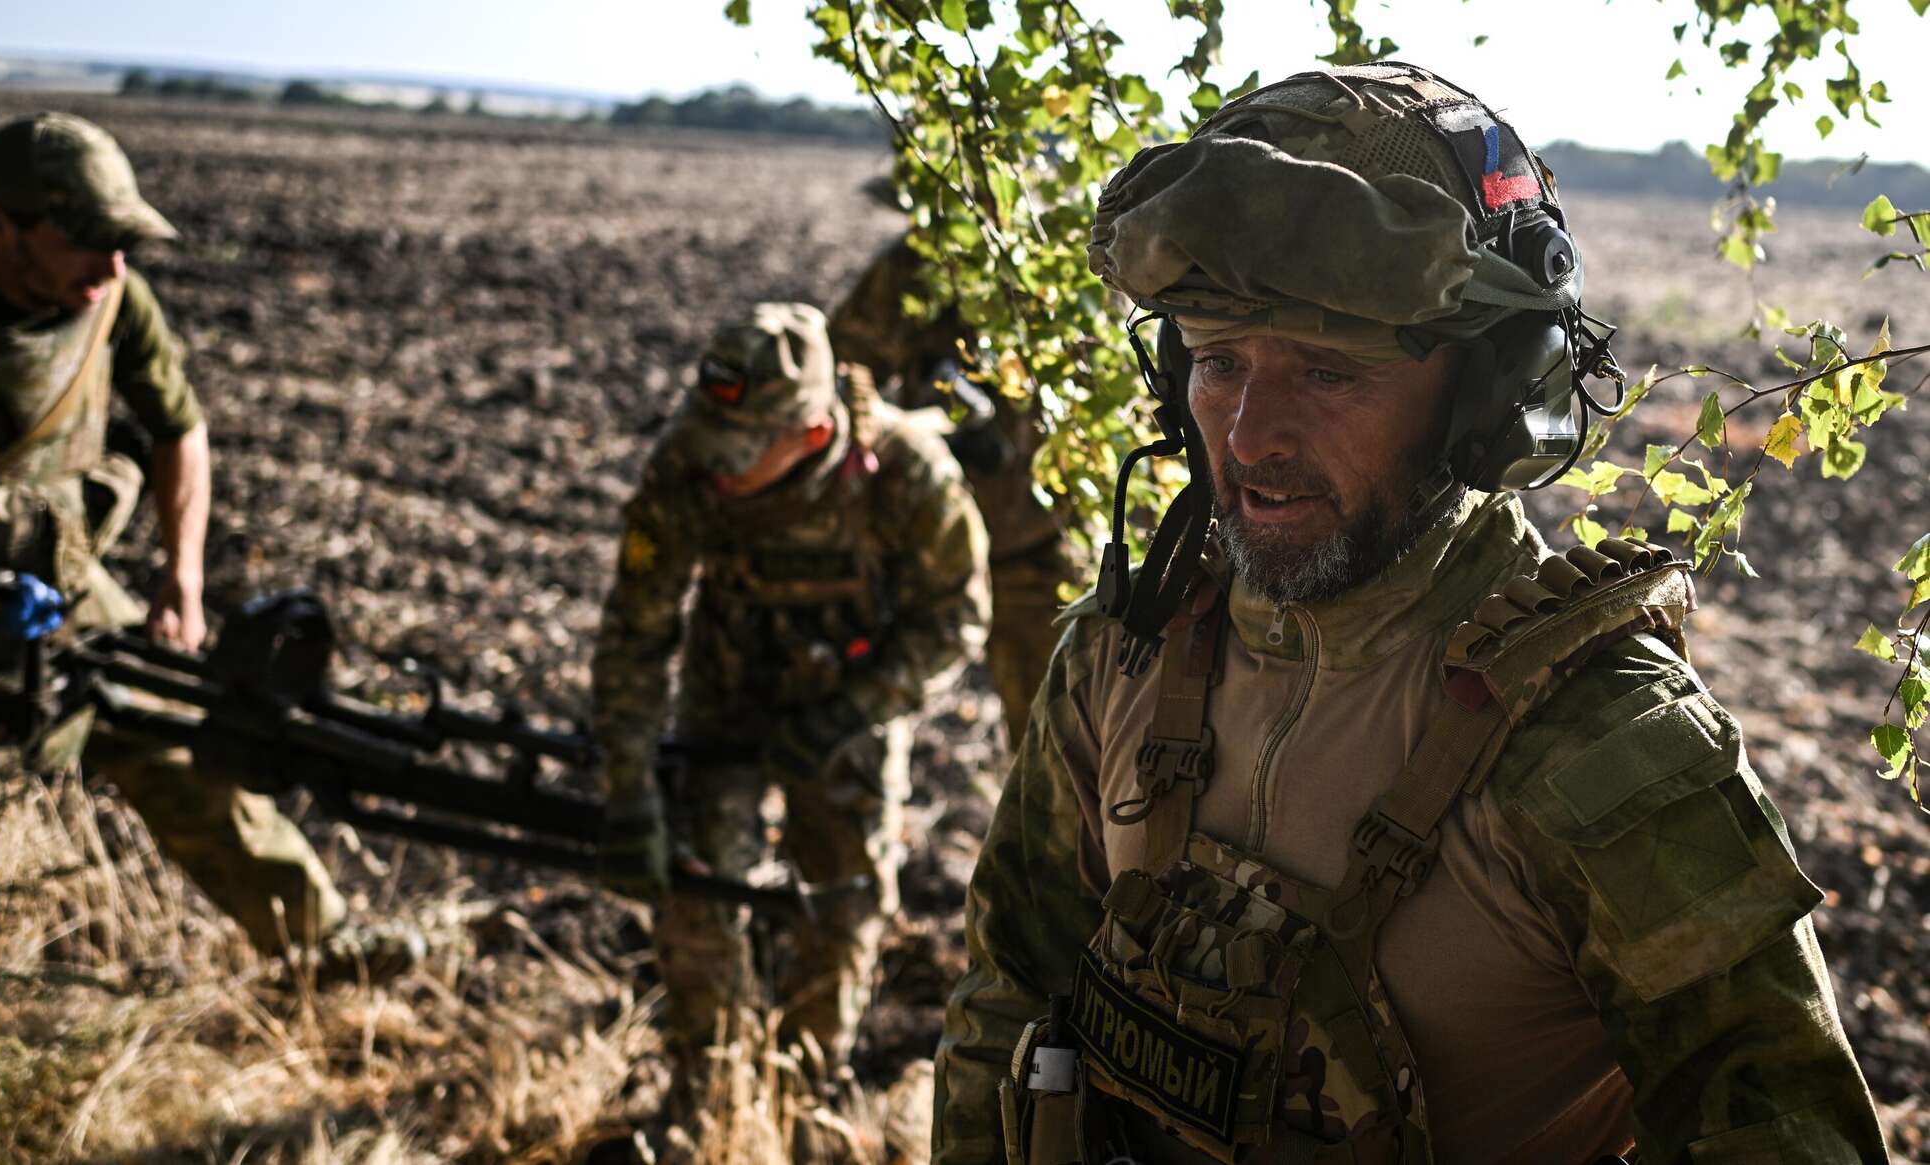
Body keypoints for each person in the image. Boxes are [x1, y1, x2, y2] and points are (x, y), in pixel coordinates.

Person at [934, 63, 1889, 1164]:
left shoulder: (1601, 748)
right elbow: (1004, 1000)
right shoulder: (1125, 650)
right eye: (1215, 361)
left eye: (1328, 374)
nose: (1248, 436)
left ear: (1485, 393)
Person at [0, 112, 417, 1087]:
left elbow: (180, 429)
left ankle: (318, 942)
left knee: (183, 737)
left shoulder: (114, 300)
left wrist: (180, 575)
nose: (112, 267)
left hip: (52, 589)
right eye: (88, 241)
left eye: (125, 243)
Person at [589, 302, 988, 1088]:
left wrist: (851, 712)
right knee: (691, 883)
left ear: (810, 435)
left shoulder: (905, 475)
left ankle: (808, 1087)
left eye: (736, 454)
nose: (716, 468)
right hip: (724, 695)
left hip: (852, 708)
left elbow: (955, 618)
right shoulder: (688, 464)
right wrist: (627, 787)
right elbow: (636, 630)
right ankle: (711, 1091)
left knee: (843, 901)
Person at [828, 216, 1079, 751]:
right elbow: (844, 370)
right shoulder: (922, 260)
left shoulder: (1068, 255)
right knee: (859, 729)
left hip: (1039, 549)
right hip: (928, 540)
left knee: (1058, 749)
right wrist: (914, 434)